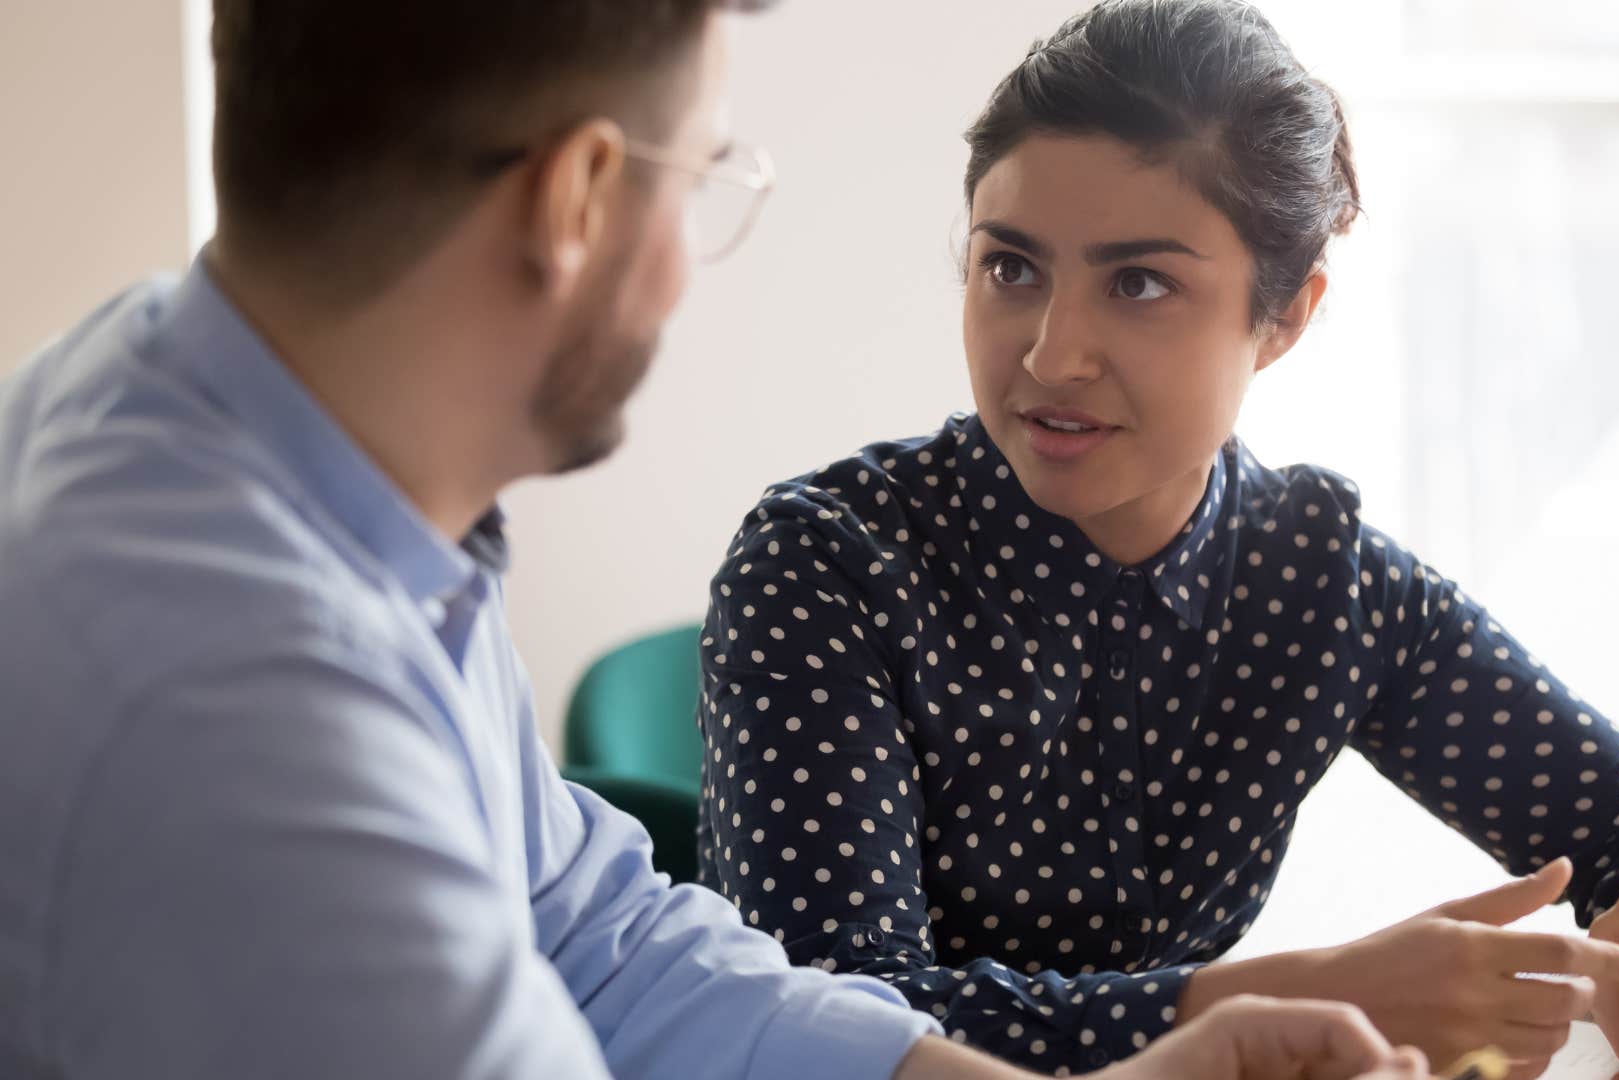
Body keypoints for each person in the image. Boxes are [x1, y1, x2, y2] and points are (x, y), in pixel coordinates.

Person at [0, 2, 1431, 1079]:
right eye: (703, 178)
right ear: (575, 200)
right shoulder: (238, 713)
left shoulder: (224, 434)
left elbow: (607, 942)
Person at [695, 1, 1619, 1077]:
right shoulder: (826, 566)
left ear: (1285, 316)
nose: (1050, 354)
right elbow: (823, 1026)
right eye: (1011, 267)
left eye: (1138, 283)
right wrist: (1306, 1001)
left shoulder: (1318, 585)